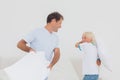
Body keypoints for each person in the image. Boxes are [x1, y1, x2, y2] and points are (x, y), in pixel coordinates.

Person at [16, 12, 64, 80]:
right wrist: (30, 49)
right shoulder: (36, 32)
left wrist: (51, 65)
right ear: (53, 21)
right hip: (33, 70)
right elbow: (20, 44)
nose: (60, 26)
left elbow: (57, 52)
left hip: (44, 71)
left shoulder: (55, 37)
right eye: (59, 23)